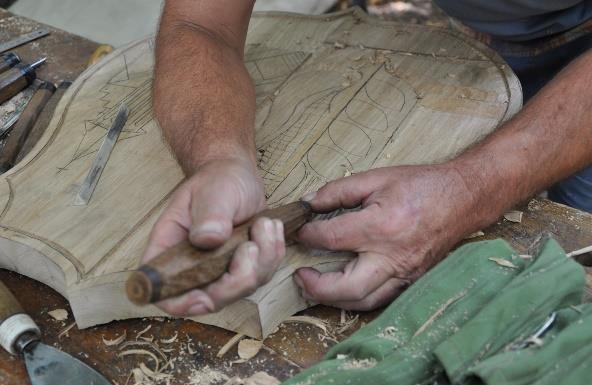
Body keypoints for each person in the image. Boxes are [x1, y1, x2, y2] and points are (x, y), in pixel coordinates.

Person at [143, 0, 592, 317]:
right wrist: (219, 157)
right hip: (473, 31)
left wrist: (472, 188)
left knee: (574, 235)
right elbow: (201, 23)